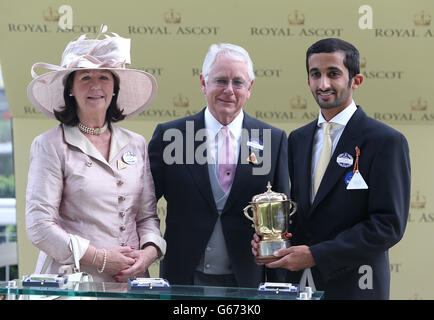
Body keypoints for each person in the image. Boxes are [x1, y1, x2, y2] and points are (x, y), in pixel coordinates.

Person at [252, 38, 411, 299]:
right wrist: (271, 241)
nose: (323, 84)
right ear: (308, 81)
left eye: (333, 74)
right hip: (301, 287)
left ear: (355, 81)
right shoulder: (298, 139)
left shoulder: (386, 141)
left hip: (358, 285)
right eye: (316, 75)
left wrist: (316, 255)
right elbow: (299, 214)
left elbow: (388, 225)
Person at [25, 26, 166, 283]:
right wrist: (99, 258)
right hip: (73, 285)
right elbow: (39, 226)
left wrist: (147, 254)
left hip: (130, 284)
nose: (96, 86)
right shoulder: (50, 144)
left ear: (115, 87)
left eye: (104, 77)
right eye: (85, 77)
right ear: (70, 88)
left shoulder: (135, 144)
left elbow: (146, 217)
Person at [148, 43, 289, 287]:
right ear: (203, 83)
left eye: (238, 82)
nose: (229, 90)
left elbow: (283, 219)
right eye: (221, 81)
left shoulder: (273, 140)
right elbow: (143, 206)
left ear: (250, 87)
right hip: (182, 279)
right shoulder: (170, 135)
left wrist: (278, 285)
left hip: (247, 281)